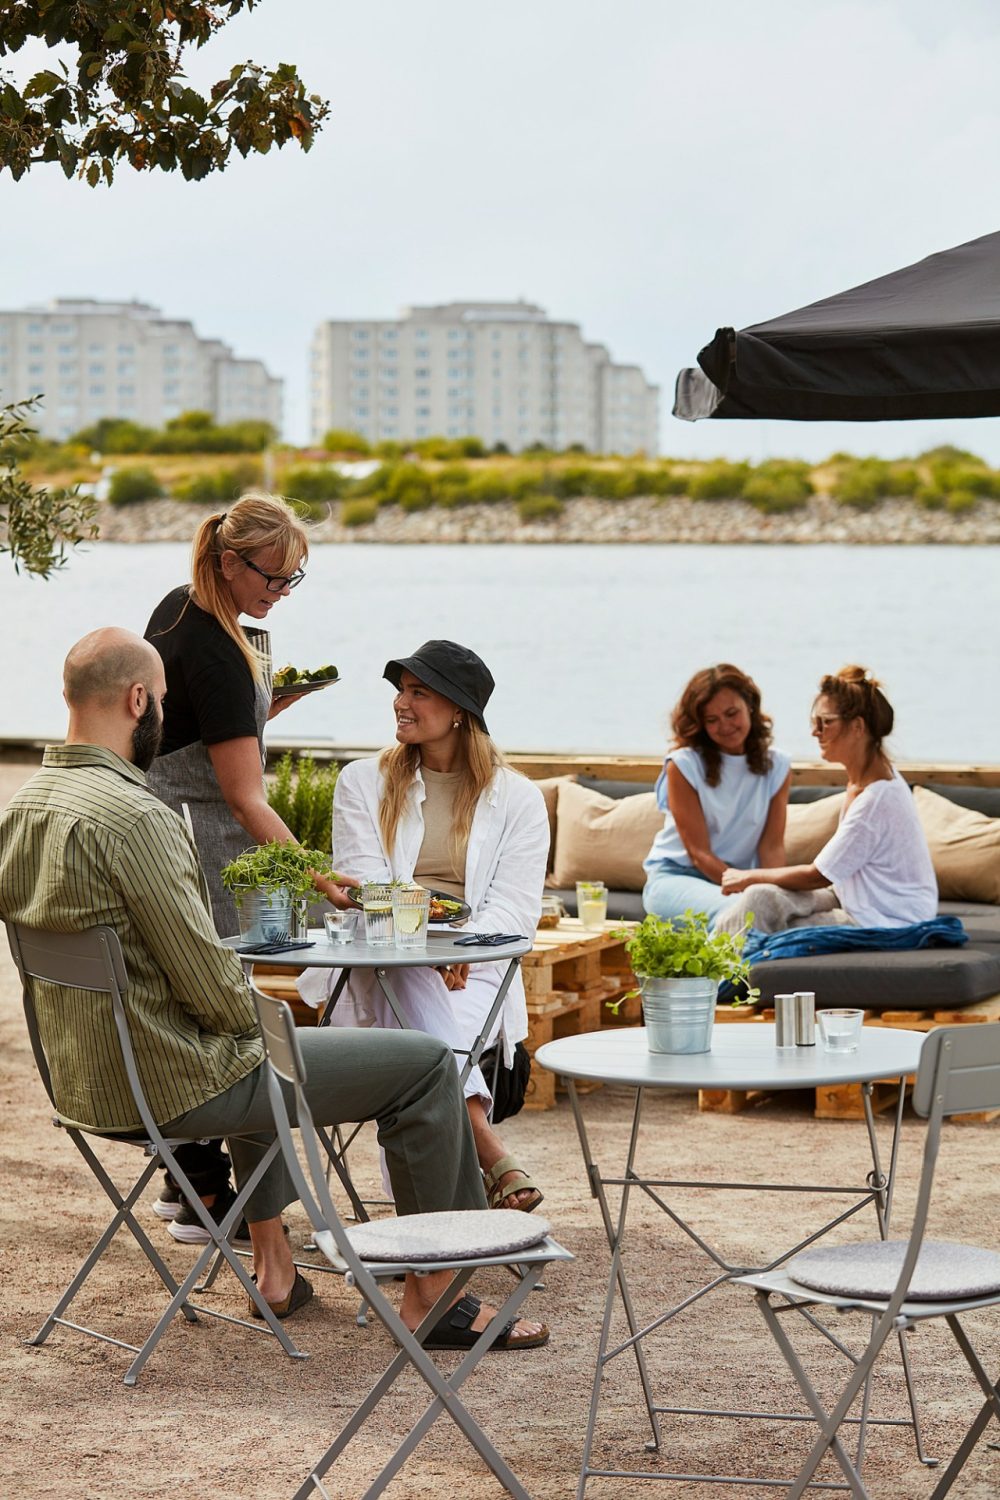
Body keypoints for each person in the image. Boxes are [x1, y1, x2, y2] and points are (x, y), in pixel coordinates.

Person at [0, 628, 546, 1347]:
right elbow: (216, 994)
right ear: (139, 700)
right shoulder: (137, 819)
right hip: (174, 1084)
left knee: (256, 1037)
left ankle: (275, 1269)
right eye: (164, 701)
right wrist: (260, 1011)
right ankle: (434, 1297)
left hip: (86, 1084)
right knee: (416, 1064)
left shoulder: (23, 807)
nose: (167, 713)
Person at [143, 491, 354, 1238]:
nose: (282, 591)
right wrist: (319, 879)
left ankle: (185, 1183)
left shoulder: (178, 609)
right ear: (230, 562)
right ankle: (205, 1197)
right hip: (206, 843)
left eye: (294, 578)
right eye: (274, 576)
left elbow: (187, 721)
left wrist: (264, 705)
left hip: (161, 828)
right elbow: (245, 799)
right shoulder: (222, 651)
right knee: (220, 1014)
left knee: (179, 1005)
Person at [303, 640, 549, 1213]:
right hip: (378, 964)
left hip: (473, 968)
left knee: (419, 1052)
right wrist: (426, 949)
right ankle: (483, 1148)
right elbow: (366, 887)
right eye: (399, 690)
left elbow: (515, 911)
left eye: (419, 692)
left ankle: (426, 1230)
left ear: (460, 710)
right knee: (406, 979)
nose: (400, 703)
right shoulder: (363, 783)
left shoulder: (518, 799)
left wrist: (457, 946)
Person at [718, 666, 937, 932]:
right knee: (760, 898)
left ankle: (718, 971)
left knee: (775, 923)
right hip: (855, 898)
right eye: (814, 721)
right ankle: (708, 967)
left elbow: (817, 876)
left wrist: (746, 877)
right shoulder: (863, 781)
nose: (815, 732)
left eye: (825, 722)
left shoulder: (877, 798)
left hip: (887, 917)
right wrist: (753, 883)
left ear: (857, 727)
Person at [642, 664, 791, 927]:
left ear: (750, 706)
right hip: (675, 879)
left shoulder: (777, 766)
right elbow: (700, 854)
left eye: (731, 713)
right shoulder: (683, 765)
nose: (725, 726)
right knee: (746, 912)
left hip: (740, 882)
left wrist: (774, 892)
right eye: (712, 720)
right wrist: (748, 889)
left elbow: (772, 848)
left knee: (786, 909)